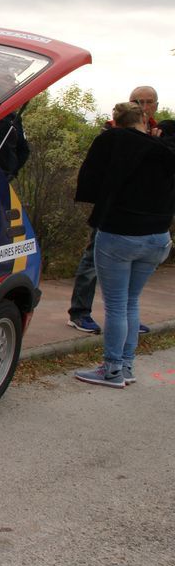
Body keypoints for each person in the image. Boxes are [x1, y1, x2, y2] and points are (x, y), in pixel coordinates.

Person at [72, 101, 175, 388]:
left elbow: (90, 180)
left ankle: (112, 369)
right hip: (158, 235)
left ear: (114, 120)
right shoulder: (163, 150)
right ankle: (126, 366)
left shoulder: (111, 141)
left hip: (119, 233)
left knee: (116, 305)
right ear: (145, 119)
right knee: (131, 302)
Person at [67, 85, 161, 334]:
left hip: (140, 213)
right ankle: (79, 312)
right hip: (111, 210)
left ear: (155, 106)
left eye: (147, 101)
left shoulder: (157, 132)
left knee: (133, 268)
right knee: (92, 259)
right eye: (137, 101)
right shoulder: (113, 130)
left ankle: (129, 316)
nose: (142, 106)